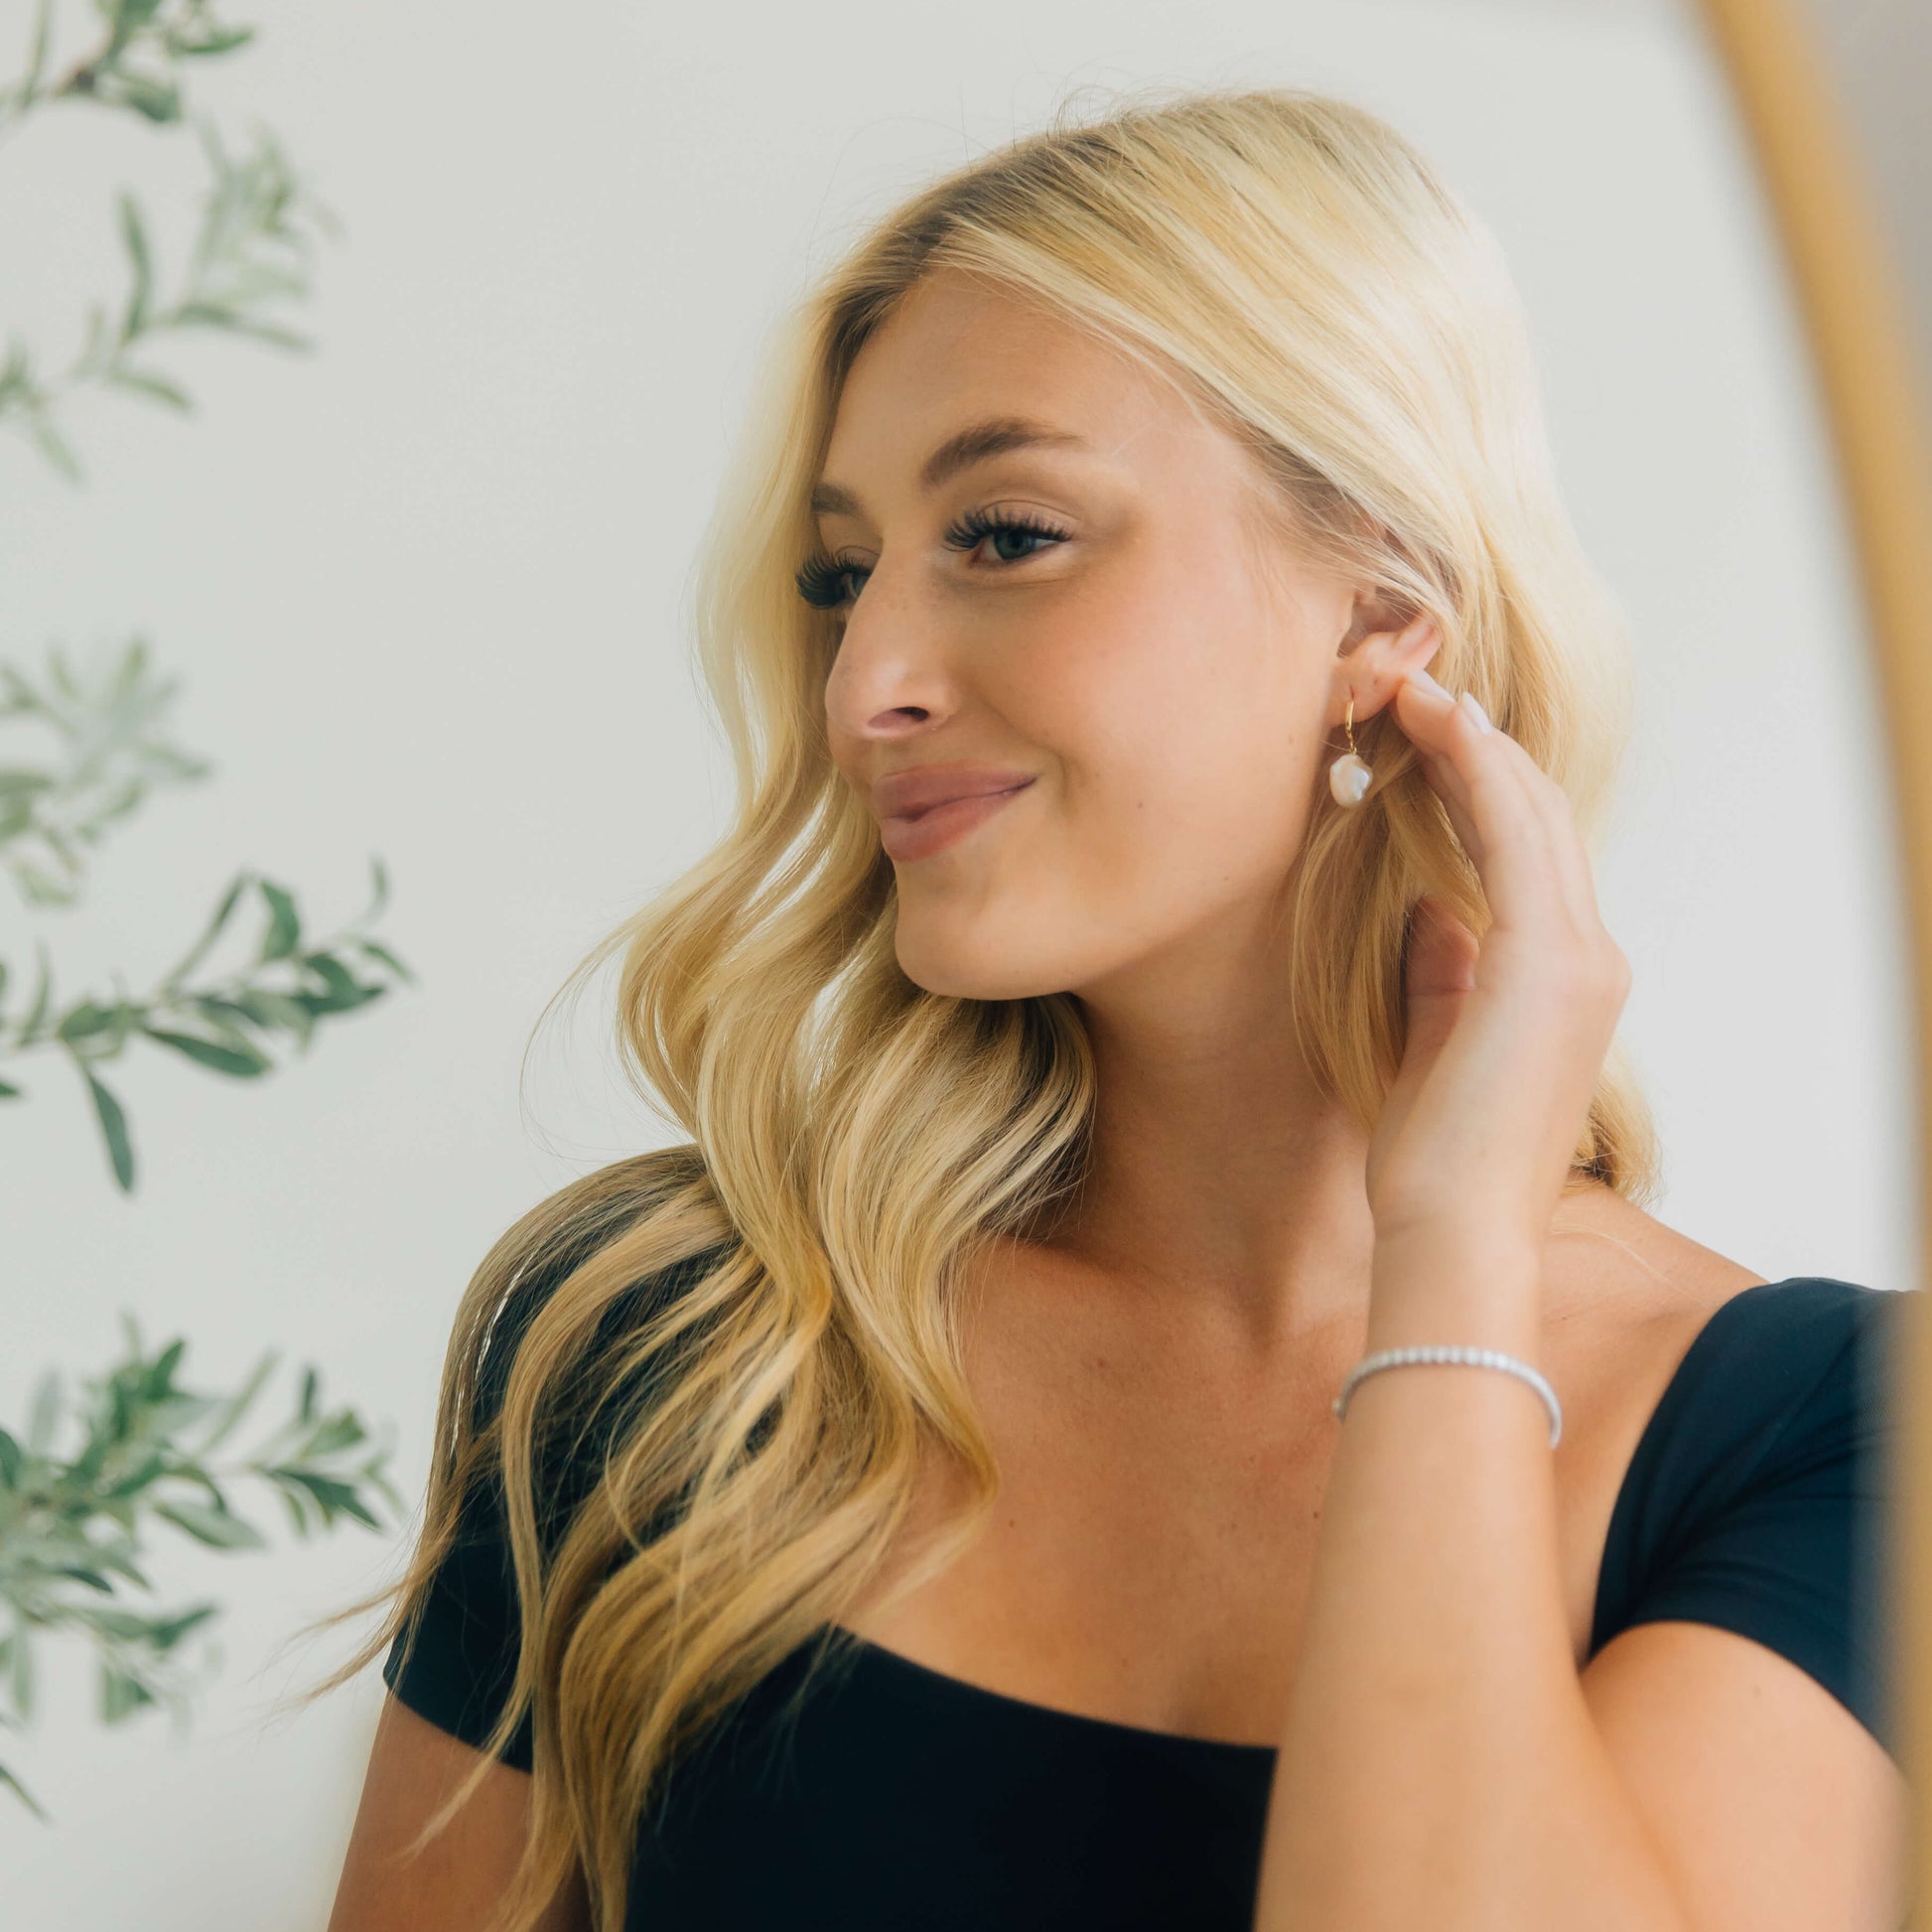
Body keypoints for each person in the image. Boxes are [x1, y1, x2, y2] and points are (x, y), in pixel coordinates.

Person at [322, 85, 1915, 1932]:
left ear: (1378, 611)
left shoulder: (1844, 1440)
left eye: (1004, 533)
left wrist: (1455, 1239)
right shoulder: (673, 1337)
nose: (864, 686)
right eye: (844, 575)